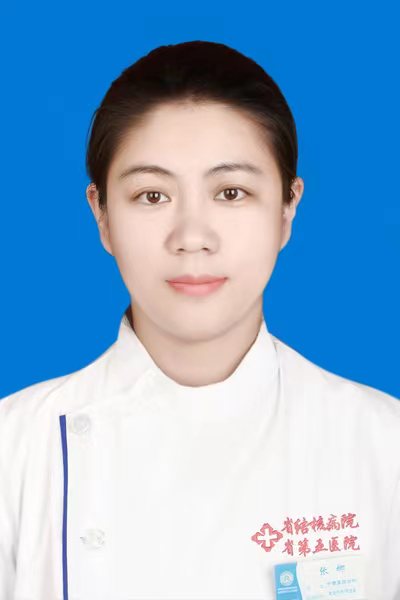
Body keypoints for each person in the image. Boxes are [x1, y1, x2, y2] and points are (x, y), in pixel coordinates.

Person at [0, 40, 399, 600]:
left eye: (231, 192)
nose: (192, 237)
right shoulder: (15, 451)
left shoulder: (384, 446)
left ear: (288, 208)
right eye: (152, 195)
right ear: (102, 215)